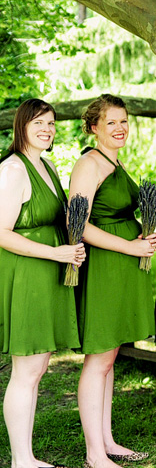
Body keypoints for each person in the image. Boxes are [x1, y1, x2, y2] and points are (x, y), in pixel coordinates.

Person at [71, 95, 156, 467]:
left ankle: (106, 441)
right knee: (98, 359)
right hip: (106, 267)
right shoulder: (89, 164)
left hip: (123, 264)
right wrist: (128, 245)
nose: (120, 128)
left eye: (124, 121)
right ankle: (94, 455)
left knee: (109, 359)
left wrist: (144, 239)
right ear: (94, 127)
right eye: (111, 123)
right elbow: (79, 225)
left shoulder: (115, 161)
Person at [0, 99, 84, 468]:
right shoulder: (13, 169)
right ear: (22, 126)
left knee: (37, 369)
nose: (47, 129)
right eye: (39, 123)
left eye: (51, 123)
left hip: (47, 271)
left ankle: (27, 456)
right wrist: (55, 254)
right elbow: (1, 233)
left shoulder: (46, 165)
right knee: (27, 370)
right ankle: (21, 461)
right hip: (27, 276)